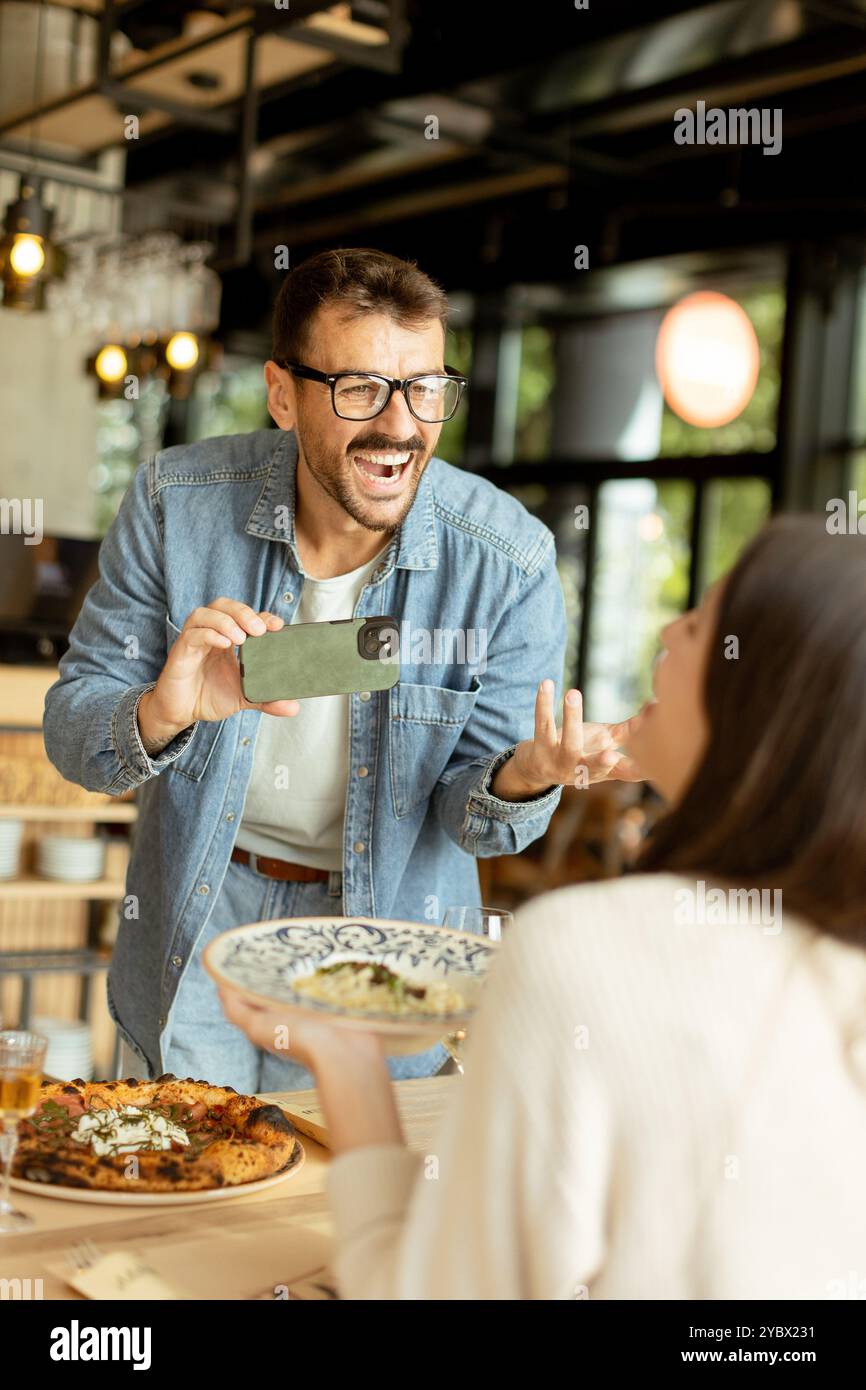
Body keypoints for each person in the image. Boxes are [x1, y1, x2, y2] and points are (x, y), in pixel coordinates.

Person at [221, 516, 866, 1298]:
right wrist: (530, 771)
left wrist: (347, 1055)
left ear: (759, 700)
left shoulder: (589, 953)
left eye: (698, 624)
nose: (667, 625)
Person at [42, 247, 637, 1093]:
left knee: (345, 1209)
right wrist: (161, 712)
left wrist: (521, 778)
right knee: (190, 1191)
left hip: (384, 942)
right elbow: (72, 736)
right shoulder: (175, 503)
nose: (400, 425)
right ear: (283, 395)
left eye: (425, 388)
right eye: (359, 388)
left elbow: (476, 822)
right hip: (199, 916)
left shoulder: (508, 560)